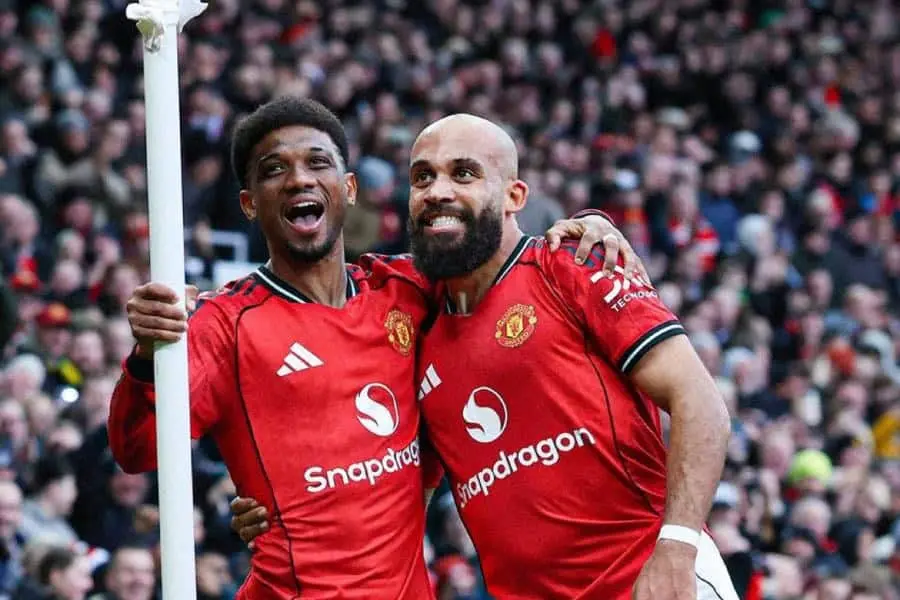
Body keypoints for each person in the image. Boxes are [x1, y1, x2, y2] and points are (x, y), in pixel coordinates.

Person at [108, 97, 640, 599]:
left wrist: (587, 227)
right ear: (249, 204)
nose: (299, 179)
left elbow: (490, 254)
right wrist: (149, 356)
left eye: (317, 163)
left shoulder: (406, 289)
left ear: (349, 188)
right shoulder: (224, 323)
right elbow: (137, 449)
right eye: (273, 170)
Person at [235, 113, 739, 599]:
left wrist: (678, 547)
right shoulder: (414, 318)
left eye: (464, 174)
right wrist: (281, 504)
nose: (438, 191)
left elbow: (701, 404)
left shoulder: (572, 265)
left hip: (649, 579)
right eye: (422, 177)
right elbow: (391, 479)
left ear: (514, 196)